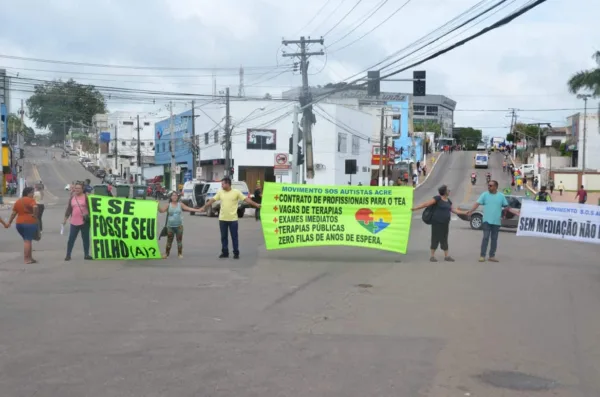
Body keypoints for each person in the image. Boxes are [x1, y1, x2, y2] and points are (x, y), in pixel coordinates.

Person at [200, 177, 261, 259]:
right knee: (223, 237)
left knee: (234, 237)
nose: (222, 185)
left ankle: (236, 253)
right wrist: (204, 206)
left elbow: (246, 199)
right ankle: (225, 252)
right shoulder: (220, 192)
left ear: (228, 184)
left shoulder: (236, 192)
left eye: (223, 184)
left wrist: (256, 205)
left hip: (233, 219)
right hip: (222, 219)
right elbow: (212, 200)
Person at [411, 185, 467, 262]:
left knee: (444, 238)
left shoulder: (448, 201)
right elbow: (426, 204)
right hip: (436, 223)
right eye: (448, 190)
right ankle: (432, 256)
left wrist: (465, 212)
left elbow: (454, 210)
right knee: (435, 238)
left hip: (445, 223)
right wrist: (415, 208)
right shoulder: (437, 198)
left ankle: (446, 256)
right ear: (444, 192)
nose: (449, 191)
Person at [467, 180, 517, 263]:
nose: (489, 187)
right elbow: (477, 203)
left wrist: (516, 212)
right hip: (486, 220)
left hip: (496, 222)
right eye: (488, 185)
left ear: (496, 187)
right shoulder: (485, 195)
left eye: (491, 186)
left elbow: (507, 207)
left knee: (494, 239)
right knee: (485, 237)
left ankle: (492, 256)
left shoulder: (501, 196)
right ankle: (482, 256)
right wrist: (471, 211)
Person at [158, 191, 203, 259]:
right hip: (170, 226)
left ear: (177, 197)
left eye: (176, 195)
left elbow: (188, 208)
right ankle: (166, 254)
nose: (174, 197)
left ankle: (180, 253)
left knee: (179, 241)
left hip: (179, 226)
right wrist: (157, 205)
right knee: (169, 241)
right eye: (173, 195)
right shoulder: (168, 205)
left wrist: (198, 210)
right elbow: (161, 211)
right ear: (171, 197)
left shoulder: (180, 204)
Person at [4, 187, 40, 264]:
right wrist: (35, 215)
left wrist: (9, 223)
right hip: (29, 223)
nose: (33, 194)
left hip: (19, 224)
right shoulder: (31, 200)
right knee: (28, 240)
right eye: (32, 193)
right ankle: (26, 259)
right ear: (28, 193)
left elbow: (13, 213)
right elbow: (35, 207)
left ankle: (30, 258)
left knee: (27, 240)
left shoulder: (18, 201)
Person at [63, 182, 92, 261]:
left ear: (82, 189)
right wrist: (65, 219)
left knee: (85, 239)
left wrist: (89, 215)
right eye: (76, 188)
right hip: (74, 222)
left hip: (85, 222)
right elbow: (69, 209)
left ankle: (86, 254)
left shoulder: (86, 197)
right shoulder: (72, 197)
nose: (77, 190)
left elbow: (92, 208)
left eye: (79, 188)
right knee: (71, 239)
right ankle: (68, 255)